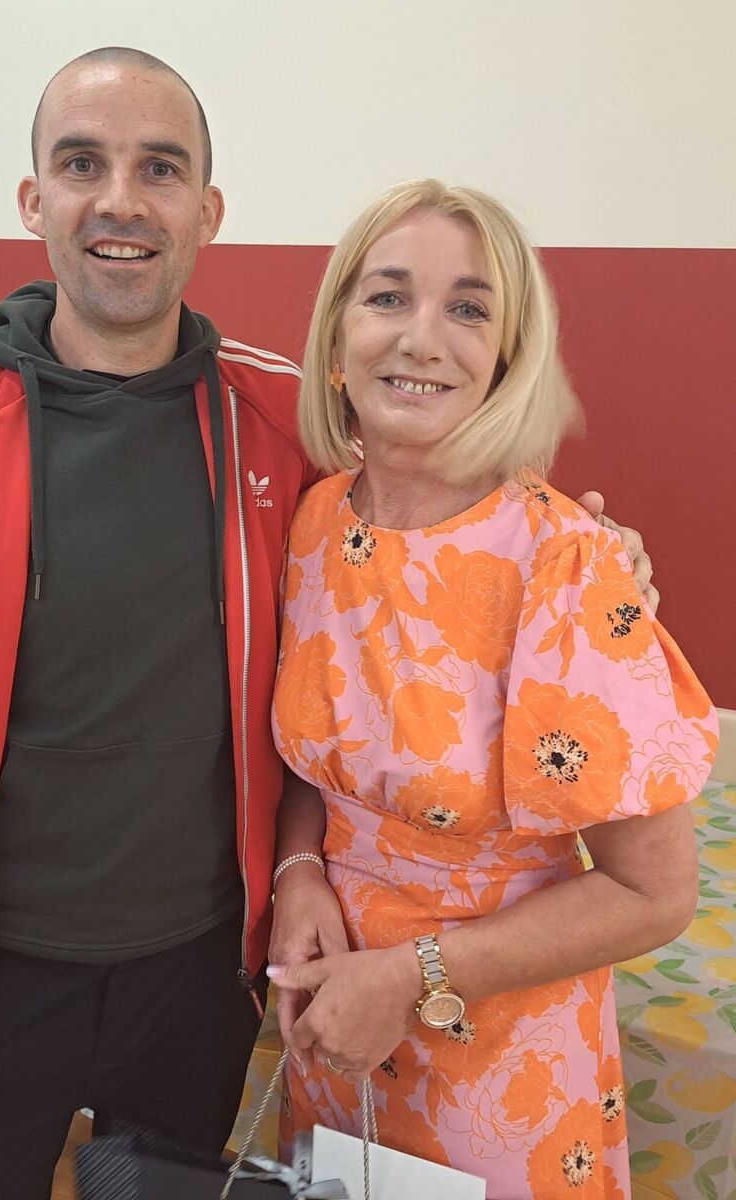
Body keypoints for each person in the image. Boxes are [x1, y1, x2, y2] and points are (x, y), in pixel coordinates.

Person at [0, 49, 653, 1199]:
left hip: (199, 982)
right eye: (81, 164)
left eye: (158, 168)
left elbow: (436, 498)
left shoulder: (272, 419)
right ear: (31, 199)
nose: (119, 200)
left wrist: (595, 549)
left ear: (206, 210)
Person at [267, 180, 716, 1200]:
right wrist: (299, 871)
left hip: (500, 1063)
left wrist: (410, 976)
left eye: (468, 308)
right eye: (387, 297)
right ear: (336, 339)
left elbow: (654, 894)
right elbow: (315, 765)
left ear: (505, 360)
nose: (422, 338)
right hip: (331, 1025)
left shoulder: (566, 565)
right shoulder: (311, 526)